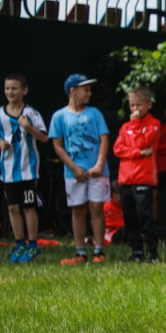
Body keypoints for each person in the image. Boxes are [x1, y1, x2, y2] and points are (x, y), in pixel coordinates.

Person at [49, 74, 110, 265]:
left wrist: (99, 164)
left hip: (97, 172)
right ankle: (80, 252)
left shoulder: (95, 113)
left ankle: (99, 251)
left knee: (96, 208)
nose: (89, 93)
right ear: (72, 91)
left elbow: (104, 139)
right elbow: (57, 145)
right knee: (78, 210)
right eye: (85, 89)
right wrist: (73, 167)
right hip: (73, 173)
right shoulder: (59, 116)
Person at [0, 73, 48, 263]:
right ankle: (19, 244)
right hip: (7, 170)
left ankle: (33, 245)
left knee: (28, 207)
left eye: (14, 88)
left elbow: (44, 137)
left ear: (24, 91)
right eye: (7, 88)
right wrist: (0, 143)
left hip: (27, 169)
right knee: (13, 207)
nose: (10, 92)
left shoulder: (31, 113)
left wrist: (28, 127)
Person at [113, 87, 162, 262]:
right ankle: (136, 252)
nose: (134, 110)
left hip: (143, 178)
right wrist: (138, 153)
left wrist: (135, 127)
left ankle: (152, 253)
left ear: (148, 105)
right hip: (125, 179)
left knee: (145, 217)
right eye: (132, 105)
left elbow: (144, 141)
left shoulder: (154, 124)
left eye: (138, 105)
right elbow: (118, 149)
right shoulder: (125, 126)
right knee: (130, 218)